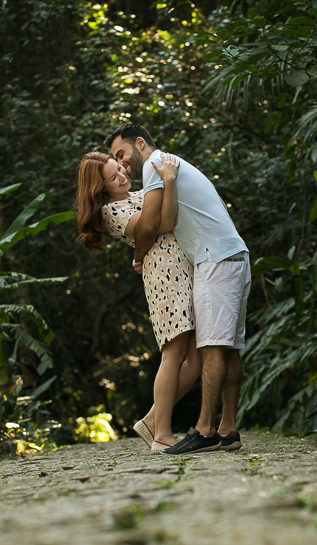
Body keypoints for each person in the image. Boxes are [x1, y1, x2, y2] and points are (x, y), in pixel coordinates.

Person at [105, 124, 250, 455]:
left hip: (215, 258)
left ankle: (204, 429)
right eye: (116, 163)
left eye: (122, 155)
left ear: (140, 143)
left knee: (211, 346)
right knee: (226, 348)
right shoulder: (165, 164)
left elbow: (155, 224)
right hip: (229, 254)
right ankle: (227, 429)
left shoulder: (155, 165)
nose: (124, 165)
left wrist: (138, 256)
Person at [75, 151, 201, 453]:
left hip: (183, 270)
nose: (121, 177)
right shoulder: (110, 212)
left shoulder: (140, 191)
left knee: (197, 357)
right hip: (163, 276)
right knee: (174, 352)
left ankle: (151, 420)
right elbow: (162, 223)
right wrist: (168, 182)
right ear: (99, 188)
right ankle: (162, 434)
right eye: (113, 177)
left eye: (120, 169)